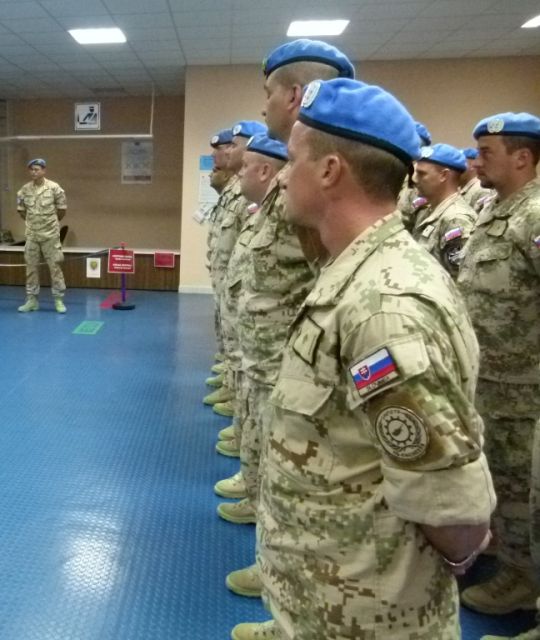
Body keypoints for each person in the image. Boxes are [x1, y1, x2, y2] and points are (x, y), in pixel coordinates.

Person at [254, 78, 495, 640]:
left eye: (293, 160)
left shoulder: (385, 304)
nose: (283, 176)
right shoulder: (353, 271)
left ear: (329, 170)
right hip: (325, 597)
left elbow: (450, 506)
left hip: (368, 613)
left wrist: (454, 559)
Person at [229, 40, 355, 640]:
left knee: (311, 491)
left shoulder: (322, 185)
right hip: (277, 360)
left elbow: (326, 283)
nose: (264, 107)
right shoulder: (292, 180)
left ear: (296, 95)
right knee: (286, 481)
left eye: (269, 93)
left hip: (300, 366)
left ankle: (296, 611)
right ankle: (287, 602)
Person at [458, 112, 540, 616]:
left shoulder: (535, 216)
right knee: (500, 480)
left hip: (523, 388)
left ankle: (522, 580)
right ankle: (505, 555)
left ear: (522, 157)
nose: (476, 162)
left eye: (487, 153)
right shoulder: (495, 210)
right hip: (491, 380)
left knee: (519, 488)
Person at [412, 143, 476, 277]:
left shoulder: (456, 219)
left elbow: (459, 279)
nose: (415, 179)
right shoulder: (428, 211)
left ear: (443, 175)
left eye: (421, 174)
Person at [17, 158, 67, 313]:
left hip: (50, 235)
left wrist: (49, 223)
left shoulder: (54, 188)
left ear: (44, 171)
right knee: (31, 268)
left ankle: (58, 300)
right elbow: (21, 211)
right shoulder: (24, 190)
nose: (34, 172)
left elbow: (62, 210)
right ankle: (32, 300)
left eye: (37, 169)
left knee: (55, 267)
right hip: (32, 235)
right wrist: (34, 224)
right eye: (31, 169)